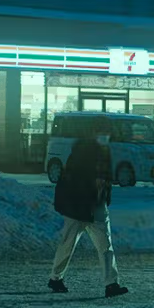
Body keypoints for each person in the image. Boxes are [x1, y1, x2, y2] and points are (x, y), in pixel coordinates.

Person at [49, 121, 128, 297]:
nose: (105, 136)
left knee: (101, 245)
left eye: (106, 132)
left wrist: (104, 195)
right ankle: (56, 278)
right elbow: (77, 179)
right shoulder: (85, 151)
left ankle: (111, 283)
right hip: (81, 206)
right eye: (102, 131)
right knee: (73, 244)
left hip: (93, 206)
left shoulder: (98, 151)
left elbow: (105, 179)